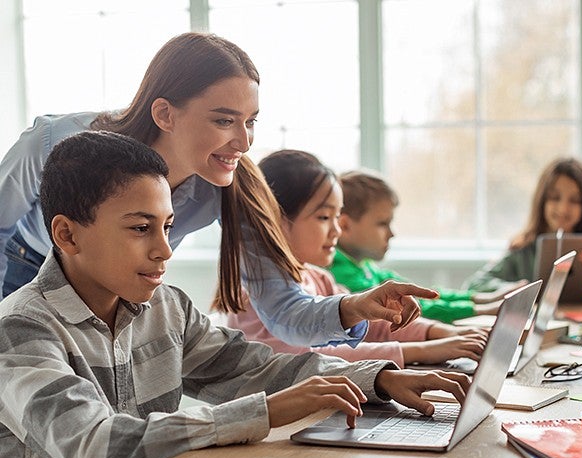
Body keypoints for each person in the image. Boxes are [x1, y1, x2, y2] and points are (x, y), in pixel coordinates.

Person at [0, 130, 470, 458]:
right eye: (141, 228)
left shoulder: (167, 307)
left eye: (168, 227)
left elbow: (254, 367)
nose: (165, 250)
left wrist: (378, 377)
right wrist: (262, 412)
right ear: (66, 234)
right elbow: (96, 449)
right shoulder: (20, 329)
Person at [0, 31, 436, 348]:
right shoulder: (54, 141)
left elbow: (282, 309)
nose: (244, 143)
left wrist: (357, 306)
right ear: (165, 114)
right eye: (224, 120)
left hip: (118, 286)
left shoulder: (226, 184)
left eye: (251, 122)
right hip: (28, 269)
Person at [224, 150, 488, 367]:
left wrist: (442, 333)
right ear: (277, 220)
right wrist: (422, 351)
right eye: (324, 218)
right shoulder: (256, 295)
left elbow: (372, 325)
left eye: (337, 218)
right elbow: (310, 360)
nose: (337, 230)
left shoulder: (320, 279)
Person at [328, 169, 519, 324]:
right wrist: (484, 309)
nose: (391, 234)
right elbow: (414, 310)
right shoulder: (338, 273)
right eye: (382, 224)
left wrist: (482, 298)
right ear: (345, 225)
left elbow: (421, 293)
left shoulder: (364, 265)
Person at [464, 157, 582, 293]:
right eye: (554, 197)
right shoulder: (523, 250)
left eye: (574, 200)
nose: (563, 208)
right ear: (542, 201)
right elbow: (474, 285)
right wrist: (516, 290)